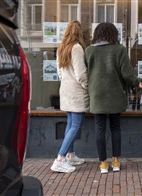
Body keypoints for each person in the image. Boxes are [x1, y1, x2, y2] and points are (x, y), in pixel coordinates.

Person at [85, 22, 142, 174]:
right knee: (115, 128)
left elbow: (86, 73)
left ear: (97, 34)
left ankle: (103, 164)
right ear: (114, 34)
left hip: (97, 95)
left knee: (100, 129)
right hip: (115, 95)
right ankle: (116, 161)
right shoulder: (119, 50)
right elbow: (127, 74)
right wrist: (137, 82)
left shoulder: (89, 51)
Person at [50, 21, 89, 173]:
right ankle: (60, 159)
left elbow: (59, 73)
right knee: (76, 125)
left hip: (65, 89)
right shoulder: (77, 48)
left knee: (70, 123)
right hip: (77, 91)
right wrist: (88, 87)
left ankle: (70, 155)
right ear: (79, 33)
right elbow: (81, 74)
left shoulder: (61, 48)